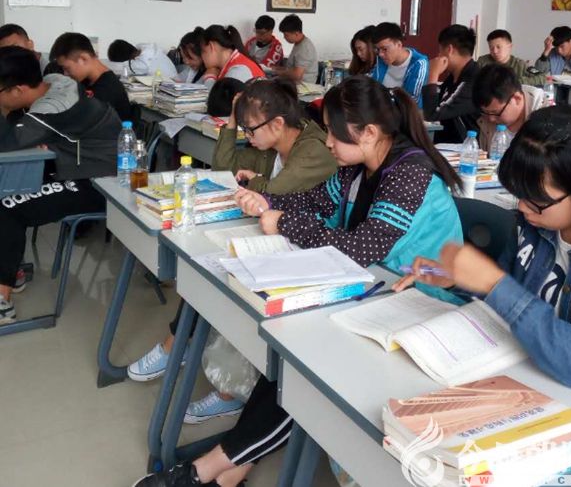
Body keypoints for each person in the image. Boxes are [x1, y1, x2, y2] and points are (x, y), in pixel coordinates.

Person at [133, 75, 462, 487]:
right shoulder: (357, 166)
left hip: (421, 307)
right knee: (292, 349)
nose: (328, 143)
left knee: (305, 365)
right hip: (371, 290)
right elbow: (315, 200)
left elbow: (364, 246)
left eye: (335, 135)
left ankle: (209, 469)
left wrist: (285, 223)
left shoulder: (408, 173)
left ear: (368, 133)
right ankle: (229, 469)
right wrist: (266, 201)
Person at [396, 105, 571, 415]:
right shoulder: (534, 226)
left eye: (536, 201)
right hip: (528, 380)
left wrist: (493, 282)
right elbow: (504, 299)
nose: (523, 208)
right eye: (519, 195)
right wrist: (459, 279)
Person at [127, 78, 336, 424]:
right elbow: (224, 167)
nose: (248, 136)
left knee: (230, 281)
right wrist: (235, 123)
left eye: (251, 129)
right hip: (274, 233)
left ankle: (224, 385)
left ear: (277, 123)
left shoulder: (312, 148)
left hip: (305, 247)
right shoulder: (271, 144)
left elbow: (274, 190)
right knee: (208, 269)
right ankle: (178, 346)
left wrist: (254, 181)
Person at [0, 47, 121, 323]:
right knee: (9, 189)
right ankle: (10, 269)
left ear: (18, 90)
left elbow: (6, 145)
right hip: (77, 166)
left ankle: (3, 302)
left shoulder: (50, 110)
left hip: (101, 182)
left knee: (6, 206)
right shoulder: (55, 82)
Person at [50, 32, 132, 122]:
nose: (65, 74)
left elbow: (80, 122)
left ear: (83, 59)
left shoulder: (106, 89)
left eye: (67, 68)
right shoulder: (86, 80)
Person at [422, 24, 480, 143]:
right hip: (446, 142)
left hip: (466, 146)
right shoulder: (453, 76)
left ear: (449, 50)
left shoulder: (472, 79)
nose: (438, 55)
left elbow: (432, 114)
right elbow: (434, 105)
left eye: (440, 51)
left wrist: (433, 74)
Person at [472, 64, 548, 152]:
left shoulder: (545, 119)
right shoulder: (487, 119)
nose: (491, 119)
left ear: (517, 99)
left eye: (495, 113)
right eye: (485, 112)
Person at [370, 22, 429, 107]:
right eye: (378, 49)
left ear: (399, 45)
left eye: (385, 49)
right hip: (381, 109)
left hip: (406, 112)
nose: (380, 54)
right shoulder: (381, 59)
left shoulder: (419, 63)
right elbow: (374, 87)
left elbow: (412, 101)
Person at [476, 29, 545, 87]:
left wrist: (516, 82)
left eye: (498, 47)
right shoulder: (483, 61)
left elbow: (542, 77)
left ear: (510, 47)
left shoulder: (520, 64)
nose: (495, 51)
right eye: (491, 48)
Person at [201, 25, 265, 86]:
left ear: (211, 46)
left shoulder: (237, 71)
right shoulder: (235, 62)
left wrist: (210, 78)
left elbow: (217, 94)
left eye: (203, 51)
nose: (202, 57)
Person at [275, 14, 318, 84]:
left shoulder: (304, 48)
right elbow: (292, 68)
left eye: (286, 35)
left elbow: (297, 75)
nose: (284, 37)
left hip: (303, 86)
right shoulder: (299, 43)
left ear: (296, 33)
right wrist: (276, 69)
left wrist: (280, 72)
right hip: (294, 83)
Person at [106, 39, 177, 78]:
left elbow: (122, 71)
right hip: (172, 79)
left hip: (170, 85)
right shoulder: (146, 48)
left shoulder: (143, 63)